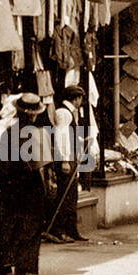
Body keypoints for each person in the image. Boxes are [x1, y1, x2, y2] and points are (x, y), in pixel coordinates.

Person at [0, 93, 48, 275]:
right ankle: (23, 266)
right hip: (28, 182)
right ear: (33, 114)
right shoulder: (35, 133)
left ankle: (3, 265)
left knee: (7, 222)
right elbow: (38, 163)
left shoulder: (8, 132)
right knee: (29, 222)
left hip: (8, 183)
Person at [44, 85, 94, 243]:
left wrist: (81, 142)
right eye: (80, 98)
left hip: (72, 156)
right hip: (65, 159)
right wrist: (64, 159)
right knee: (64, 196)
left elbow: (70, 135)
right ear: (76, 98)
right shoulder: (64, 112)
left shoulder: (72, 112)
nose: (81, 102)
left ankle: (71, 230)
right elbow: (61, 136)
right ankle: (58, 230)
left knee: (72, 195)